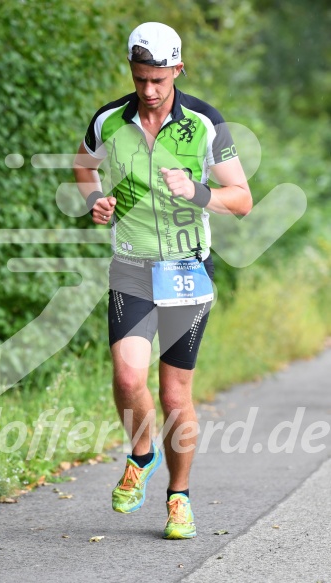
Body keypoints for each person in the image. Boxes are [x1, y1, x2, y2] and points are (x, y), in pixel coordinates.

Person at [74, 21, 252, 539]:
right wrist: (95, 201)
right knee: (129, 378)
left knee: (175, 396)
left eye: (158, 79)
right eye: (140, 78)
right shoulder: (110, 119)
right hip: (130, 266)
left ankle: (179, 498)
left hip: (186, 271)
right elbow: (83, 167)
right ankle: (142, 455)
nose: (148, 91)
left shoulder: (204, 122)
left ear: (178, 70)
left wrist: (196, 191)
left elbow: (240, 199)